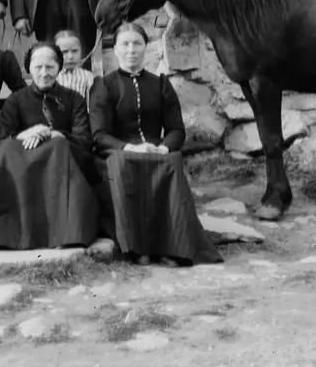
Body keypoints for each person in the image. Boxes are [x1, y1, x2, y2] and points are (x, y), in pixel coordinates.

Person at [89, 22, 221, 268]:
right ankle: (136, 248)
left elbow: (176, 130)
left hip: (155, 151)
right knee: (122, 165)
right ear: (115, 49)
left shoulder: (160, 84)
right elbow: (99, 135)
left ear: (146, 48)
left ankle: (175, 248)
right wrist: (130, 148)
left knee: (171, 161)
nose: (131, 50)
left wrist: (162, 147)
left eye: (137, 43)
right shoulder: (104, 86)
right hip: (118, 153)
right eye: (125, 44)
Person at [0, 42, 100, 251]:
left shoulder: (74, 99)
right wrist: (24, 134)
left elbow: (83, 139)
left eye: (50, 67)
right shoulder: (15, 100)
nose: (44, 73)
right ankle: (16, 236)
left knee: (58, 145)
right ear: (29, 68)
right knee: (8, 150)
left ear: (59, 68)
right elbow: (1, 141)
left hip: (62, 158)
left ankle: (63, 234)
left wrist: (54, 134)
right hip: (24, 158)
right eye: (38, 67)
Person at [55, 29, 95, 101]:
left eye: (75, 51)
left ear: (81, 51)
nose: (70, 56)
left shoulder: (87, 76)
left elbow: (92, 105)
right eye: (64, 52)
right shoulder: (52, 77)